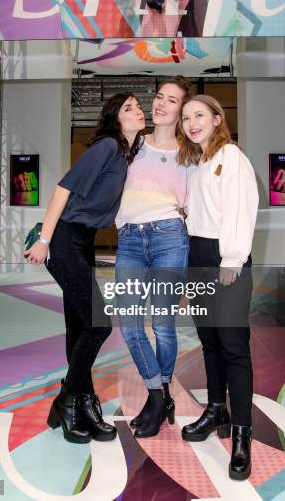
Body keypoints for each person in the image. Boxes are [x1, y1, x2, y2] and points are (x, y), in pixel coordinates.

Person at [24, 93, 145, 444]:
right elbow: (63, 189)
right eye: (128, 107)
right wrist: (44, 240)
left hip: (85, 240)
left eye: (138, 106)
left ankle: (83, 403)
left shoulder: (127, 154)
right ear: (114, 118)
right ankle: (68, 400)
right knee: (98, 324)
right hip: (64, 238)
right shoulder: (108, 146)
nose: (137, 110)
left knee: (78, 327)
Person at [179, 95, 259, 480]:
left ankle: (242, 434)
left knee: (232, 346)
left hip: (224, 258)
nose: (192, 122)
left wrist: (232, 260)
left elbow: (240, 211)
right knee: (209, 341)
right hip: (198, 254)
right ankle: (216, 410)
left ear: (216, 118)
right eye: (186, 117)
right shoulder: (197, 163)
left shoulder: (231, 157)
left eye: (199, 115)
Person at [115, 76, 193, 438]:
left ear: (182, 110)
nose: (160, 103)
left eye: (171, 100)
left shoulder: (191, 153)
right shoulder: (133, 144)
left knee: (163, 325)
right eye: (159, 96)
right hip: (130, 238)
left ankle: (158, 400)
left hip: (169, 237)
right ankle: (159, 395)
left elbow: (198, 208)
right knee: (130, 326)